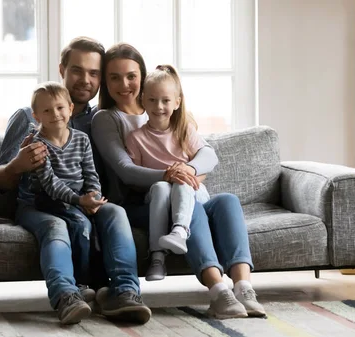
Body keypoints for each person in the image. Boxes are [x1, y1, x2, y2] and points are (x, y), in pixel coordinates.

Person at [92, 43, 267, 319]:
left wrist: (187, 171)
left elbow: (207, 154)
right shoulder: (107, 118)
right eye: (114, 77)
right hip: (145, 204)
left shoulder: (170, 112)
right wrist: (170, 175)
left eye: (131, 76)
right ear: (105, 81)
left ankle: (244, 287)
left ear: (143, 77)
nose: (124, 84)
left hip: (185, 192)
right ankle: (219, 291)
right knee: (190, 206)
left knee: (227, 202)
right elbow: (126, 170)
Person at [0, 37, 151, 325]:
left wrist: (92, 198)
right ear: (62, 69)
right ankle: (66, 296)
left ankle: (125, 291)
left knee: (115, 211)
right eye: (77, 70)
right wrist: (18, 165)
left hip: (84, 201)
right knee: (56, 225)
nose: (85, 80)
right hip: (40, 206)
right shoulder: (29, 117)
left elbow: (102, 174)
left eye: (94, 73)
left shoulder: (99, 121)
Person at [125, 64, 210, 282]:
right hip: (157, 195)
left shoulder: (184, 130)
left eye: (165, 100)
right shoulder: (136, 138)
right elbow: (135, 180)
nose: (159, 106)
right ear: (143, 100)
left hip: (192, 194)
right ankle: (157, 259)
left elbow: (207, 163)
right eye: (152, 100)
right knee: (163, 186)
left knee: (181, 181)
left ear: (177, 102)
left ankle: (180, 232)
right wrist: (164, 177)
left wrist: (187, 176)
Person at [28, 81, 107, 304]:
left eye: (60, 107)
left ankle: (102, 283)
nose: (55, 114)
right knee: (81, 225)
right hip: (49, 199)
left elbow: (91, 172)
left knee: (98, 226)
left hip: (79, 198)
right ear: (36, 116)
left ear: (70, 108)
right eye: (47, 110)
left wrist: (93, 195)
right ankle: (79, 284)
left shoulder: (81, 139)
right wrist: (78, 200)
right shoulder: (38, 144)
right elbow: (51, 184)